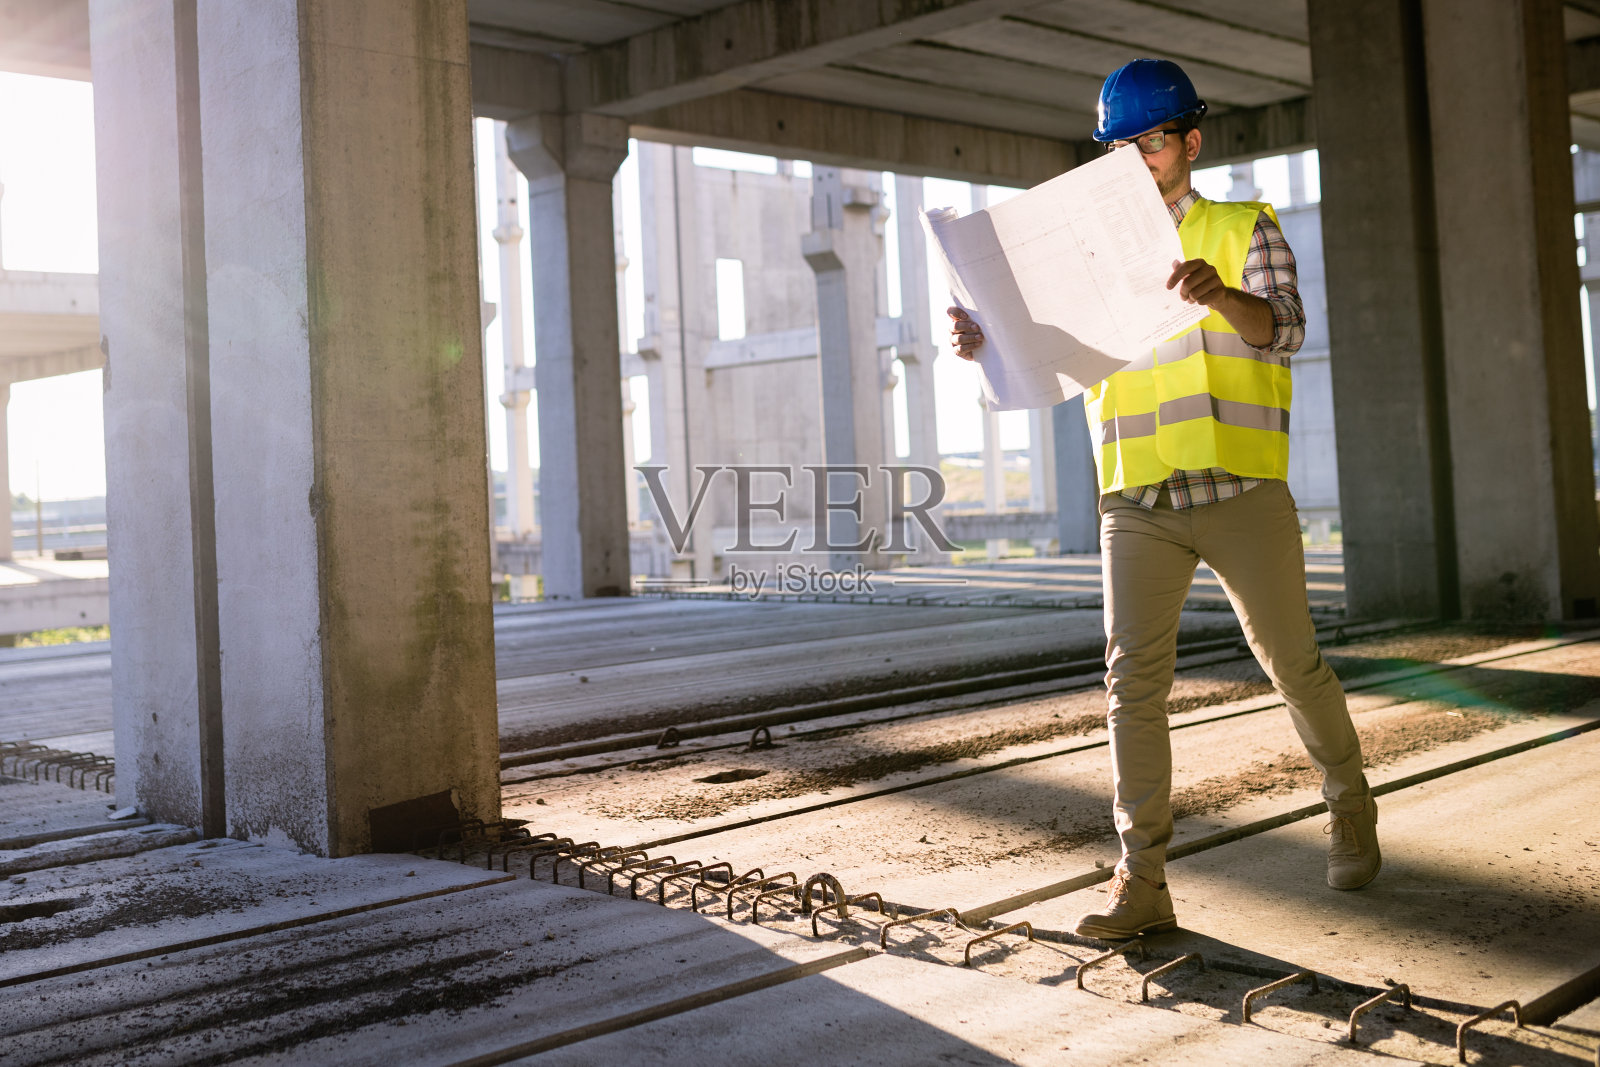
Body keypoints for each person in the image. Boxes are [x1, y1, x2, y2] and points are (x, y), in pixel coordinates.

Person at [948, 58, 1379, 940]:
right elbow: (1044, 353)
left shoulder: (1241, 227)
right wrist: (987, 340)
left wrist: (1222, 296)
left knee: (1292, 664)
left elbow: (1285, 328)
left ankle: (1350, 802)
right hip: (1136, 497)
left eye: (1153, 140)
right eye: (1122, 145)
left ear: (1190, 140)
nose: (1139, 157)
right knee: (1131, 687)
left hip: (1239, 488)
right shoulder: (1084, 255)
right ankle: (1142, 879)